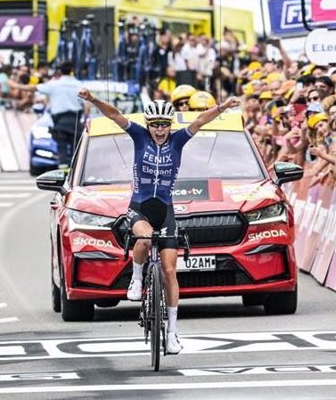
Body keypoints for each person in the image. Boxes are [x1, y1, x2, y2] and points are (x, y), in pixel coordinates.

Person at [77, 88, 240, 354]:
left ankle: (173, 333)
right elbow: (115, 115)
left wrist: (223, 107)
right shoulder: (139, 136)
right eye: (155, 125)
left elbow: (199, 121)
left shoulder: (177, 141)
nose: (160, 130)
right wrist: (93, 100)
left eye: (164, 125)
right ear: (148, 125)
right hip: (140, 206)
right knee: (143, 238)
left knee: (169, 271)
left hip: (165, 209)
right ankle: (137, 278)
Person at [34, 61, 88, 166]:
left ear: (60, 71)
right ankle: (75, 170)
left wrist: (14, 85)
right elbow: (87, 107)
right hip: (75, 123)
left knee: (61, 148)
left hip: (60, 123)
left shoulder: (54, 84)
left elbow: (35, 88)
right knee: (77, 151)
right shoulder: (79, 85)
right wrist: (85, 120)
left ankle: (62, 169)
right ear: (72, 71)